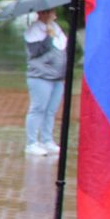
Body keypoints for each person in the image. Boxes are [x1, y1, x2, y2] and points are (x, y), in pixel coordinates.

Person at [25, 9, 67, 156]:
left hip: (57, 76)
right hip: (40, 76)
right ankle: (31, 143)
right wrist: (48, 36)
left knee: (51, 110)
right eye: (50, 12)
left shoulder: (56, 27)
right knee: (38, 109)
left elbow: (62, 47)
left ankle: (47, 140)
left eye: (53, 11)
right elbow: (37, 51)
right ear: (41, 14)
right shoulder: (33, 30)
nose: (53, 14)